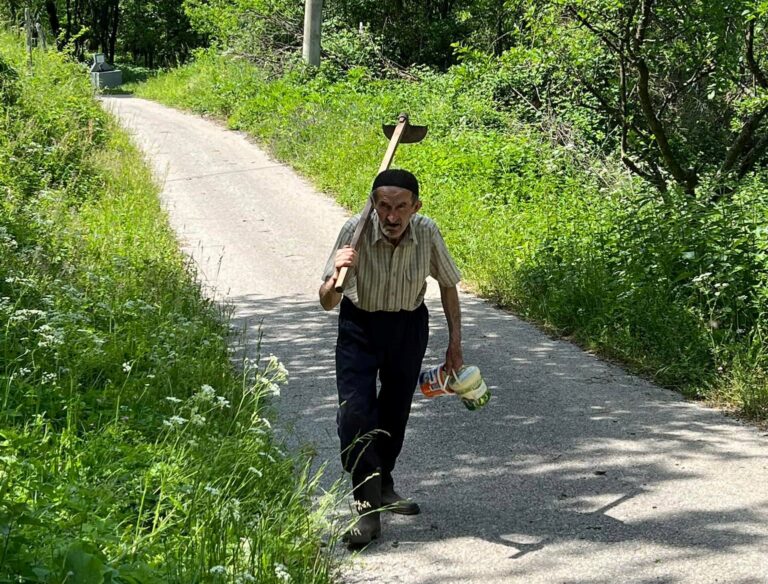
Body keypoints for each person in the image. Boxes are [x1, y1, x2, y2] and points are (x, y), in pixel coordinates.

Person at [319, 168, 464, 547]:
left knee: (394, 413)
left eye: (401, 207)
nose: (392, 216)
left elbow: (448, 285)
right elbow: (326, 301)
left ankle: (383, 484)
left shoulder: (427, 232)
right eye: (384, 206)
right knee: (355, 414)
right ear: (373, 205)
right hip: (360, 326)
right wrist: (336, 275)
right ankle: (367, 510)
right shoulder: (354, 231)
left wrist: (455, 343)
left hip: (407, 326)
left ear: (416, 207)